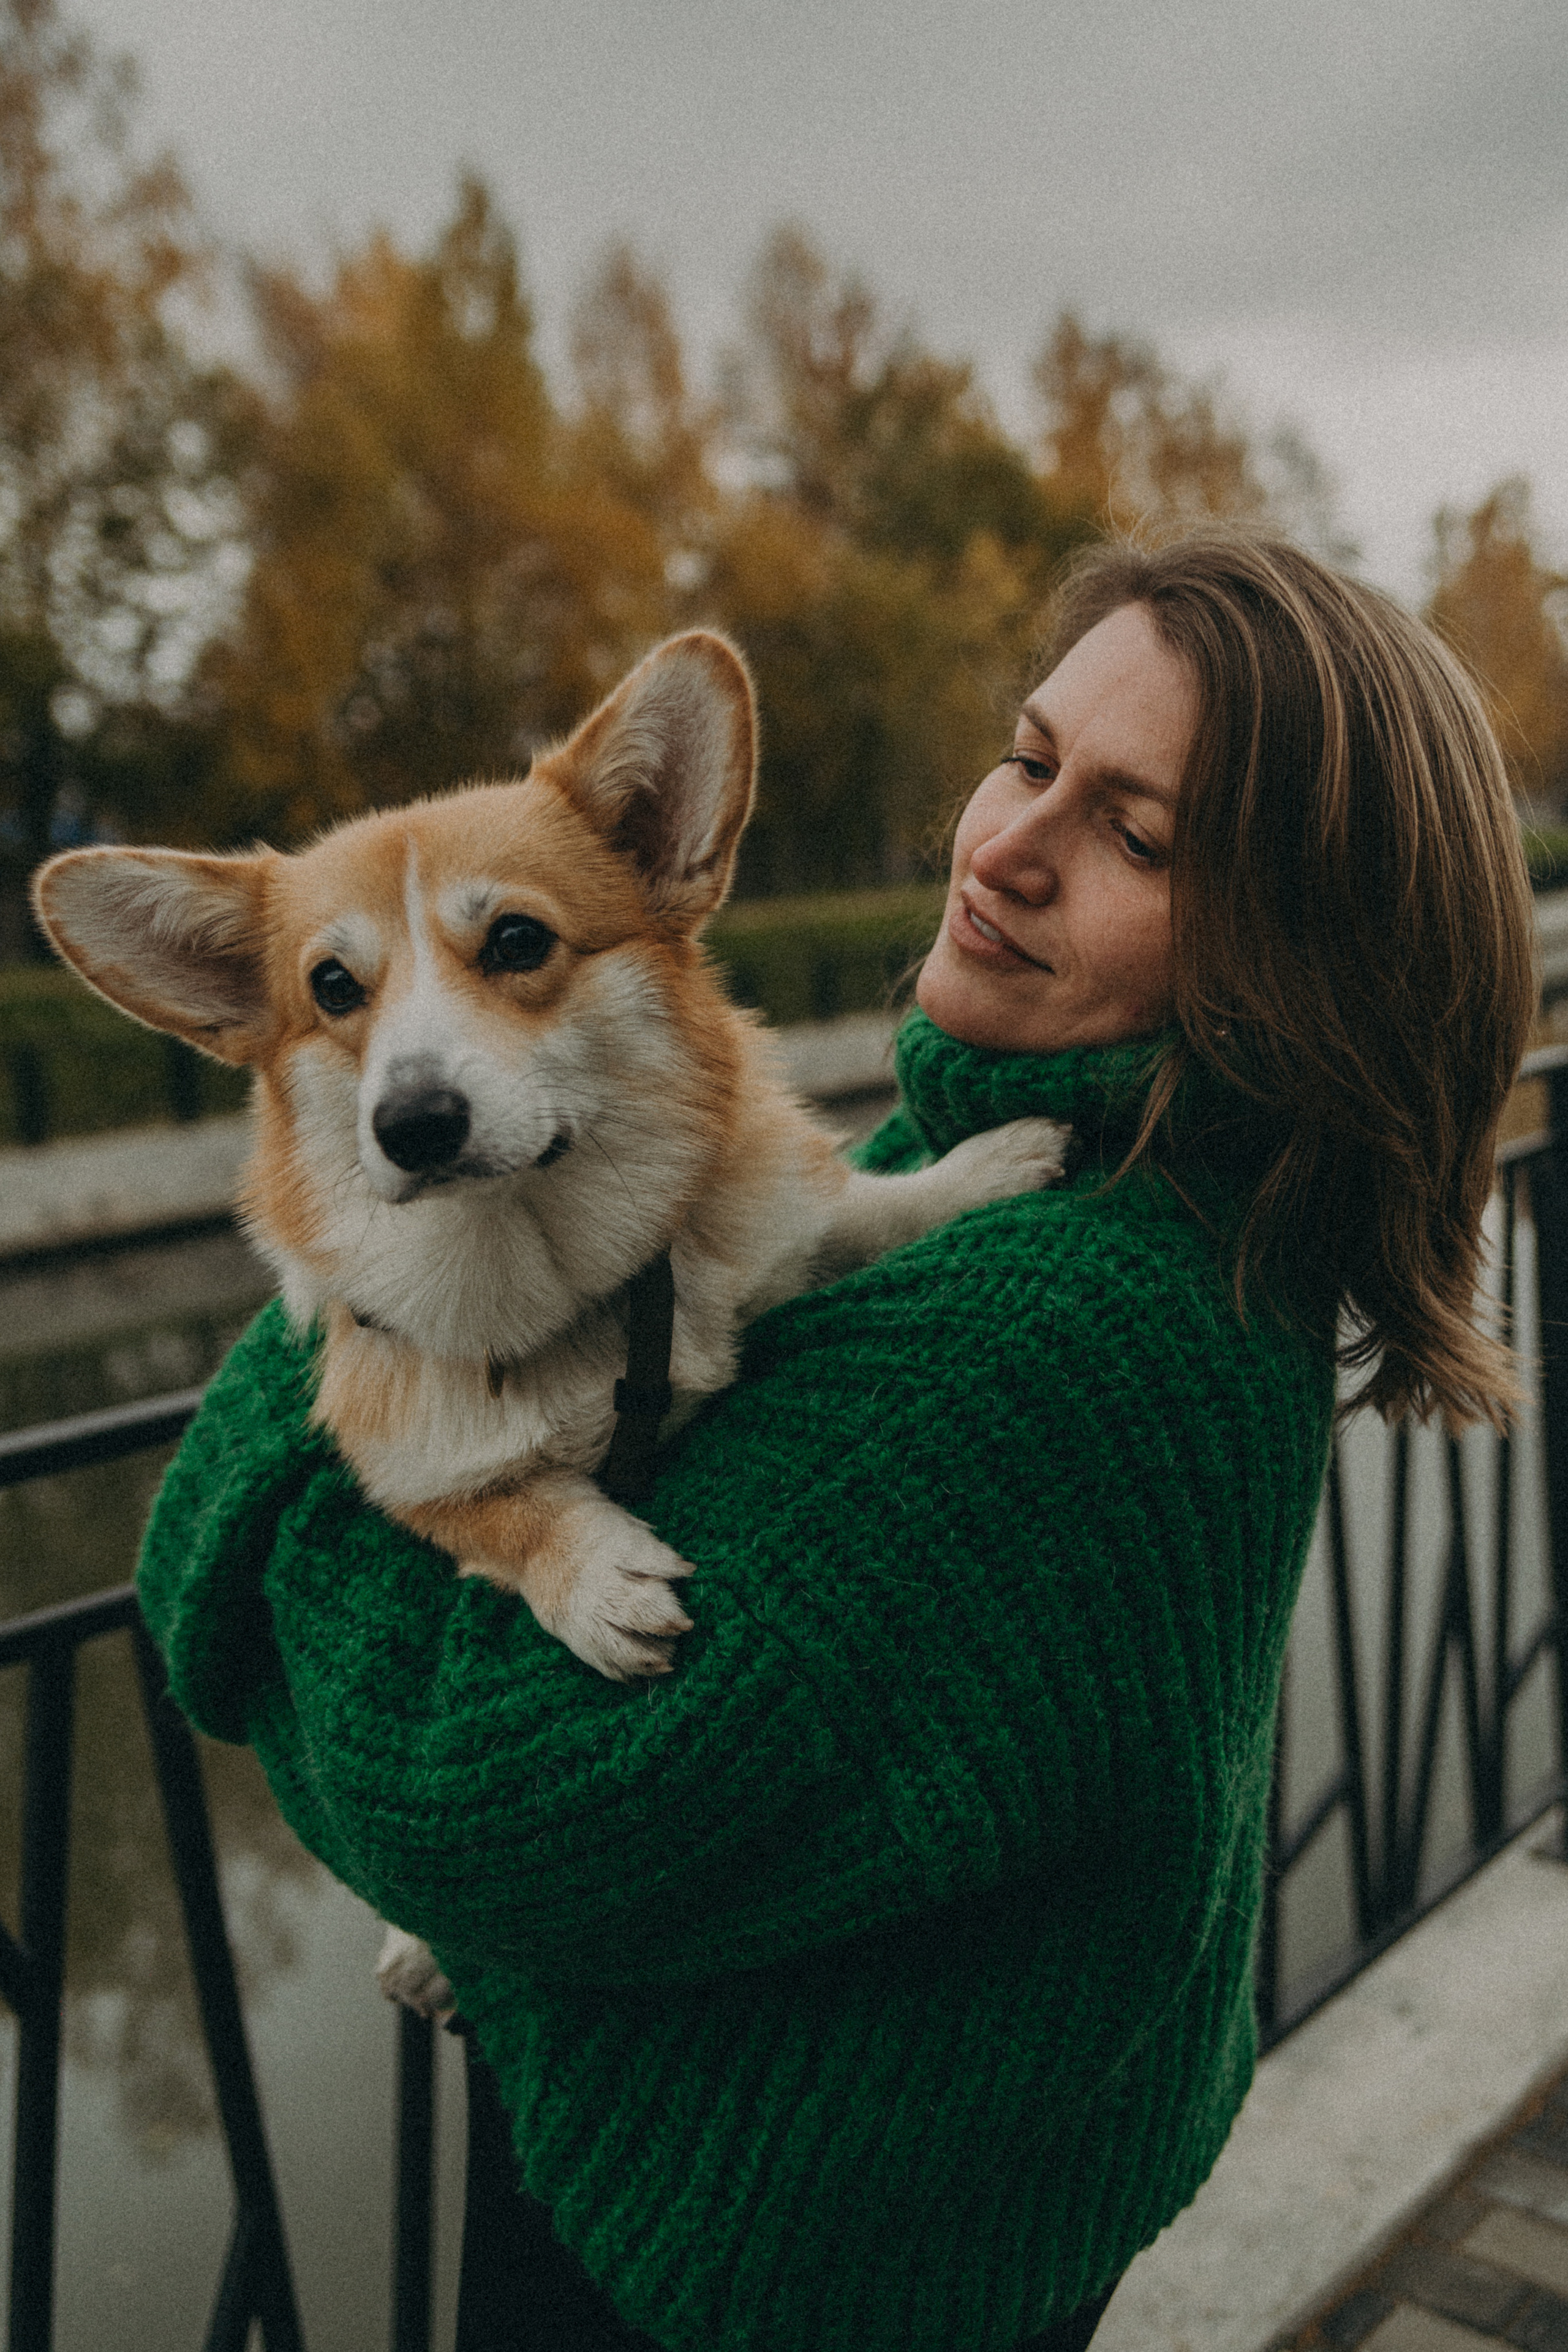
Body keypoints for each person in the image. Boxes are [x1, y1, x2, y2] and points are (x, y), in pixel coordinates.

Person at [137, 528, 1535, 2352]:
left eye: (1135, 835)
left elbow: (493, 1811)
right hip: (943, 2184)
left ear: (1301, 962)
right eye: (1031, 758)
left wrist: (327, 1332)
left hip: (761, 2253)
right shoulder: (1072, 1201)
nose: (1009, 844)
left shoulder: (1065, 1324)